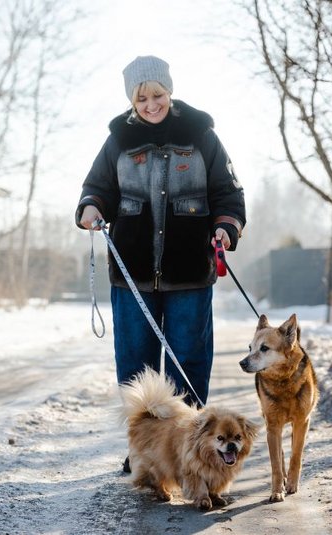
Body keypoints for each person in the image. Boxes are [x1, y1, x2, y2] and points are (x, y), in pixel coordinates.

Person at [76, 56, 245, 469]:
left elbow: (228, 193)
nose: (152, 104)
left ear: (170, 91)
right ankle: (144, 454)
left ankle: (190, 451)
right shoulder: (118, 140)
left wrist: (226, 226)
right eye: (142, 98)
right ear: (132, 101)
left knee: (189, 362)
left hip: (190, 273)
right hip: (132, 275)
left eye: (158, 95)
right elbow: (97, 187)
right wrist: (90, 208)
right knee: (138, 371)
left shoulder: (202, 135)